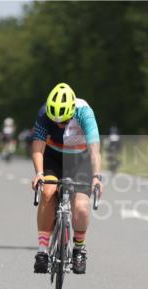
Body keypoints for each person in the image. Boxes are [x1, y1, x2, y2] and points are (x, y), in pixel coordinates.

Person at [30, 83, 103, 275]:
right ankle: (42, 251)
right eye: (56, 122)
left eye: (64, 121)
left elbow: (95, 149)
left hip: (80, 159)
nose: (60, 125)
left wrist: (96, 176)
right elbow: (38, 147)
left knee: (80, 206)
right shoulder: (44, 113)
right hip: (54, 157)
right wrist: (39, 173)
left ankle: (79, 248)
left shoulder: (85, 113)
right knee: (47, 191)